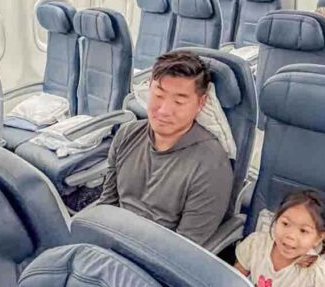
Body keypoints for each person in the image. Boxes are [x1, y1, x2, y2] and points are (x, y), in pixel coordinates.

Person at [96, 51, 233, 247]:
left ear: (200, 103)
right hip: (112, 239)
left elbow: (184, 248)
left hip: (156, 258)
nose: (164, 110)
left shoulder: (211, 166)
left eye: (179, 101)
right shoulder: (127, 134)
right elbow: (107, 203)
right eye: (158, 95)